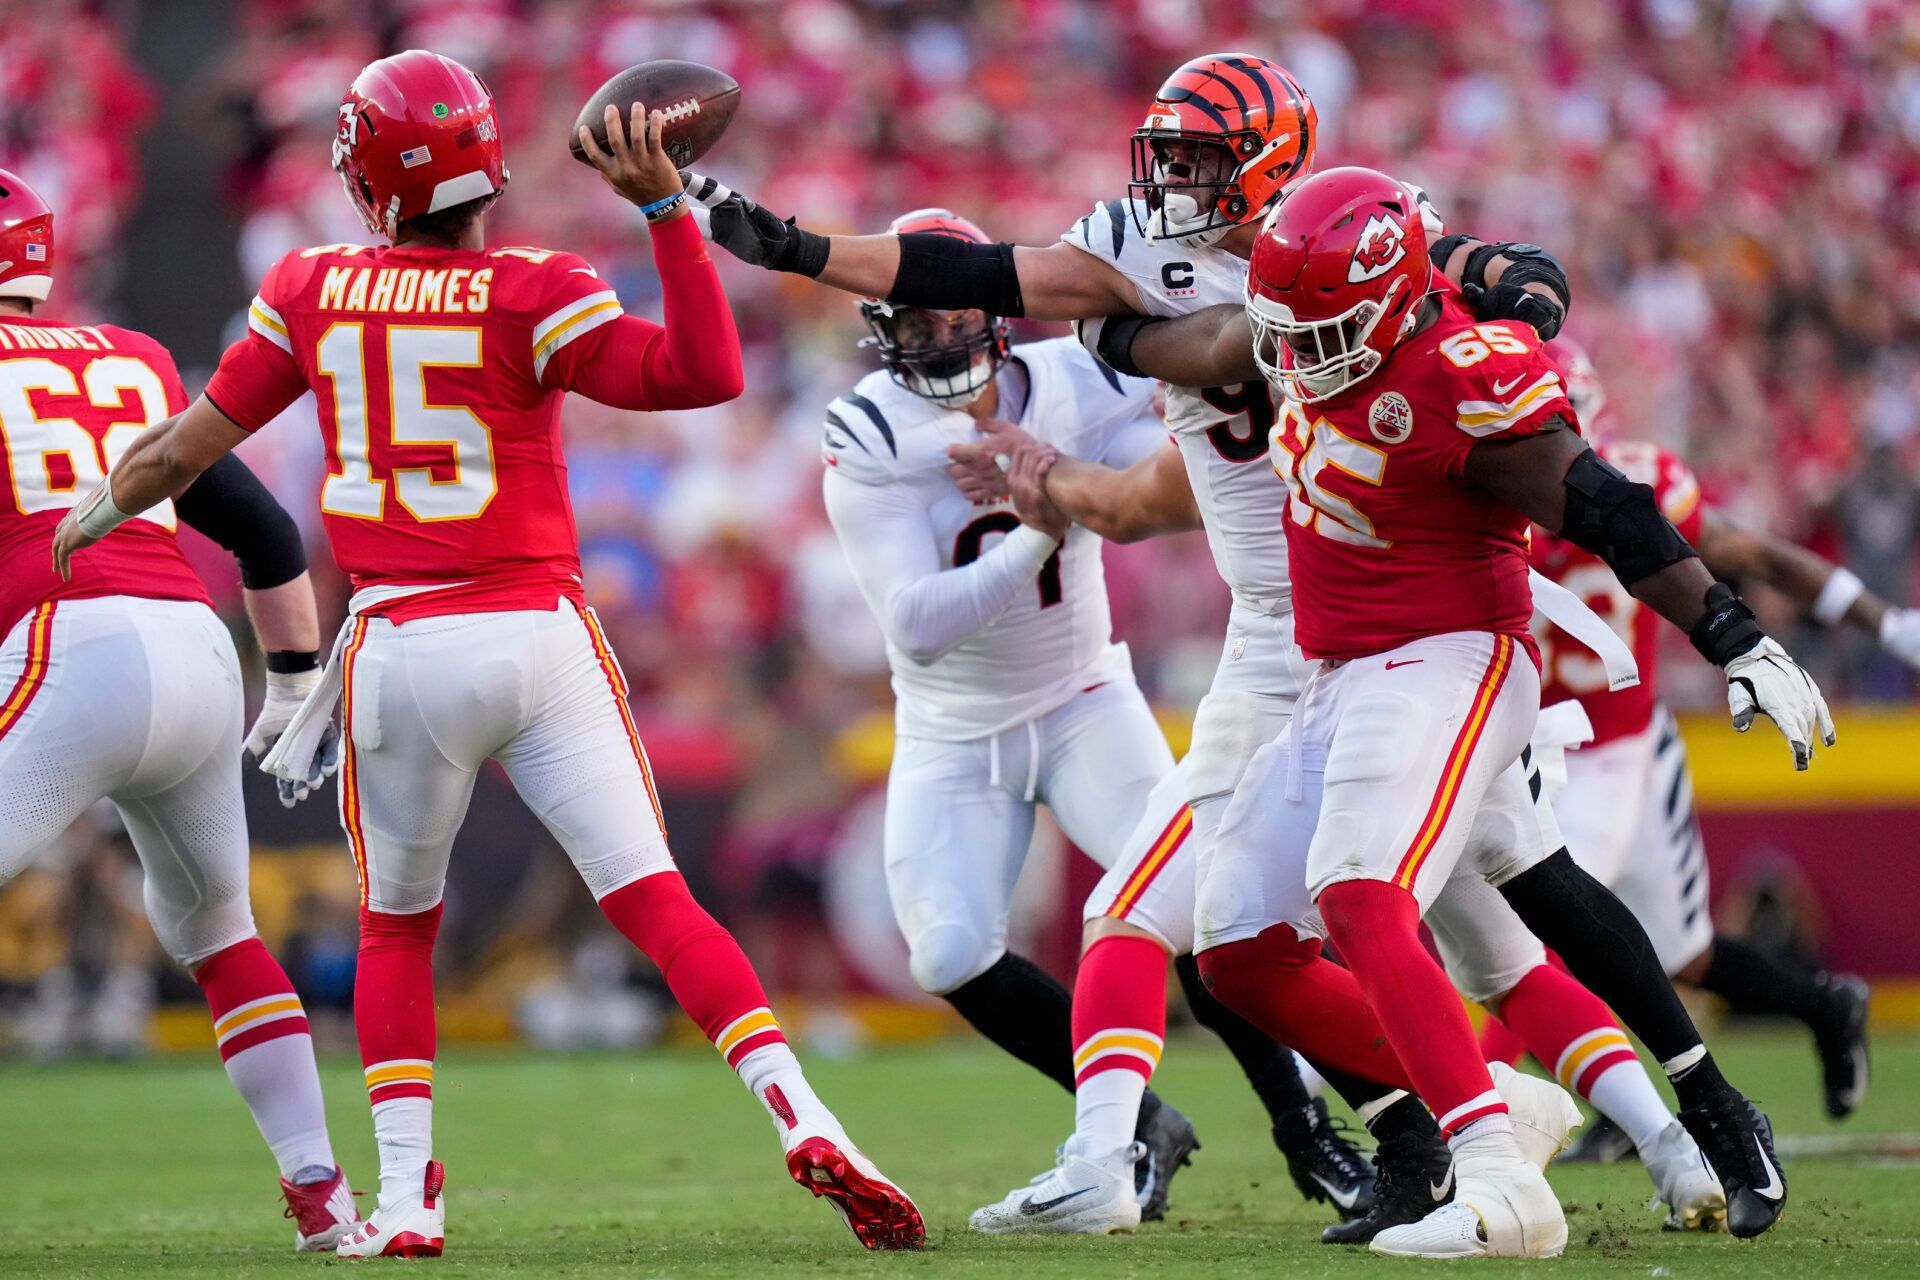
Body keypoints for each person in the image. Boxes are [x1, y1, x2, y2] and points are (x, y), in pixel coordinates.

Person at [684, 51, 1580, 1245]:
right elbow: (925, 596)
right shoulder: (894, 411)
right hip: (1023, 697)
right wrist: (805, 252)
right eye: (917, 310)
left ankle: (1400, 1126)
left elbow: (1232, 409)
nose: (941, 327)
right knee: (1059, 939)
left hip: (1223, 656)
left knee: (1264, 912)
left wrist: (1509, 282)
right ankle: (1279, 1123)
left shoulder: (1254, 278)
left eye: (1202, 159)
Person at [52, 51, 923, 1257]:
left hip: (404, 641)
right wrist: (668, 210)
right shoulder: (534, 285)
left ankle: (407, 1196)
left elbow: (181, 452)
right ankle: (806, 1112)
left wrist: (90, 517)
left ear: (368, 180)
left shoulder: (310, 286)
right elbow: (705, 372)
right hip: (537, 628)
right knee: (657, 897)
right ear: (486, 164)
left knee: (399, 924)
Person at [1105, 165, 1831, 1256]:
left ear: (1395, 299)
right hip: (1340, 674)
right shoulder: (1316, 320)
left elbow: (1606, 508)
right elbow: (1191, 343)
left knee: (1362, 891)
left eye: (1325, 328)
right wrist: (1096, 333)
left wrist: (1732, 633)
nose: (1298, 356)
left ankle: (1500, 1182)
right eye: (1286, 331)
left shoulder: (1456, 368)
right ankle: (1699, 1113)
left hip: (1451, 655)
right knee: (1241, 949)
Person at [824, 207, 1370, 1234]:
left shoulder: (1079, 377)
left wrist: (1072, 490)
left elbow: (1188, 478)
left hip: (1085, 700)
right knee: (947, 953)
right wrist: (1044, 525)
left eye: (953, 316)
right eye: (913, 321)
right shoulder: (868, 427)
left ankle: (1314, 1128)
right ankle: (1137, 1120)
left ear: (994, 313)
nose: (936, 338)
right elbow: (915, 622)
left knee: (1211, 917)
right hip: (953, 728)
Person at [0, 167, 359, 1251]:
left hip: (73, 642)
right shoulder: (133, 356)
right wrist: (294, 681)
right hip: (202, 650)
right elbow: (268, 534)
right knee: (220, 934)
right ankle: (323, 1196)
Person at [1505, 340, 1886, 1156]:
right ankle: (1823, 1007)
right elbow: (1759, 558)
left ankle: (1488, 1131)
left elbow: (1754, 556)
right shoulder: (1622, 481)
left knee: (1536, 949)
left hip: (1621, 747)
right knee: (1683, 953)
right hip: (1558, 744)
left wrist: (1885, 625)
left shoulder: (1550, 491)